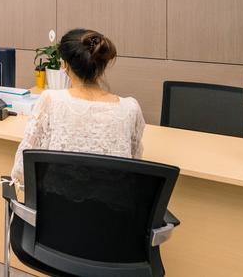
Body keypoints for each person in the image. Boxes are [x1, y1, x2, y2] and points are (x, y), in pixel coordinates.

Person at [11, 29, 145, 186]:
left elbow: (22, 170)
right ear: (102, 65)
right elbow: (134, 165)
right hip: (113, 200)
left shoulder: (51, 100)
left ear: (65, 65)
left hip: (56, 200)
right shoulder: (130, 109)